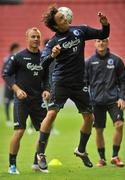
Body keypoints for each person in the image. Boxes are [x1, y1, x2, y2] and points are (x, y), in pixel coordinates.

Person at [36, 5, 110, 172]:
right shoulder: (53, 42)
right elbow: (42, 64)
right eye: (61, 19)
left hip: (79, 83)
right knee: (52, 113)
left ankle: (81, 150)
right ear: (56, 26)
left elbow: (103, 34)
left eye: (64, 16)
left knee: (89, 118)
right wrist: (52, 55)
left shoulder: (80, 31)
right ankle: (40, 154)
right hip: (60, 82)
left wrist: (105, 24)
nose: (66, 19)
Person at [2, 27, 50, 174]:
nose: (36, 39)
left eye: (37, 37)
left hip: (38, 101)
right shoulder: (18, 57)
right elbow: (6, 75)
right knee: (19, 131)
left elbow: (47, 77)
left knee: (44, 130)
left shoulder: (44, 58)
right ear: (27, 38)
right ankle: (12, 165)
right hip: (21, 101)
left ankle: (37, 162)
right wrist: (17, 90)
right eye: (33, 36)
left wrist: (47, 90)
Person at [85, 38, 125, 167]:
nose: (101, 43)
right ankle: (102, 158)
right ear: (95, 43)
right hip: (96, 102)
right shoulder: (89, 62)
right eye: (98, 41)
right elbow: (84, 83)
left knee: (119, 125)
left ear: (107, 42)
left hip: (114, 100)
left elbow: (123, 82)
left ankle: (115, 156)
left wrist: (122, 98)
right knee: (99, 130)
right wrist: (87, 101)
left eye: (103, 41)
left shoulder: (117, 60)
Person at [2, 43, 20, 127]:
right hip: (9, 85)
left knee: (16, 103)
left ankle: (16, 120)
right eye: (17, 49)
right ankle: (8, 119)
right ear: (14, 49)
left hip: (16, 85)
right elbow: (4, 73)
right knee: (7, 102)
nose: (18, 50)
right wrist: (9, 83)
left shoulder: (18, 58)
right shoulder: (8, 59)